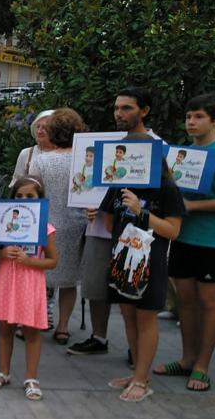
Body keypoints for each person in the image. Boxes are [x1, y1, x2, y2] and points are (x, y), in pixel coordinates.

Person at [153, 94, 215, 391]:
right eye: (189, 116)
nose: (191, 122)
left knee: (209, 302)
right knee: (185, 301)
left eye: (199, 116)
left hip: (213, 241)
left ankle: (202, 366)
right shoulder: (182, 154)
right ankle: (187, 360)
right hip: (182, 237)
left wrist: (194, 207)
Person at [69, 87, 154, 358]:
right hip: (100, 227)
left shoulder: (156, 146)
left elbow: (159, 194)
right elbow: (95, 185)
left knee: (133, 290)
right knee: (95, 284)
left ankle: (136, 349)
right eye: (116, 108)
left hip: (136, 233)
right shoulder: (107, 144)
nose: (119, 113)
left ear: (144, 111)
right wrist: (89, 203)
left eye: (126, 108)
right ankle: (99, 337)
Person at [101, 132, 184, 402]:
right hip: (122, 259)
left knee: (145, 317)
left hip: (150, 261)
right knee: (128, 315)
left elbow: (172, 230)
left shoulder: (166, 188)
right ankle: (139, 372)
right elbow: (109, 222)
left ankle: (141, 378)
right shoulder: (118, 184)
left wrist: (141, 213)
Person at [0, 176, 58, 401]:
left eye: (30, 196)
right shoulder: (3, 222)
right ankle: (3, 372)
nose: (24, 199)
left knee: (32, 333)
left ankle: (31, 378)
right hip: (8, 280)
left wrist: (29, 261)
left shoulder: (45, 227)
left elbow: (53, 261)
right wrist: (2, 253)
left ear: (40, 199)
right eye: (19, 196)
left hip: (31, 282)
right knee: (5, 329)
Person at [29, 109, 88, 345]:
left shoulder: (41, 161)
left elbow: (33, 194)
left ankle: (35, 321)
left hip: (48, 225)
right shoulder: (85, 160)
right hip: (77, 224)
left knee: (40, 276)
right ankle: (63, 326)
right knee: (69, 281)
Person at [11, 110, 55, 185]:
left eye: (44, 127)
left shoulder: (64, 154)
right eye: (38, 127)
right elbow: (16, 183)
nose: (39, 131)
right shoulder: (26, 153)